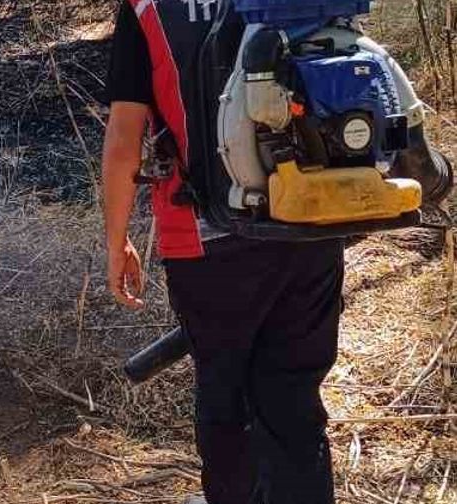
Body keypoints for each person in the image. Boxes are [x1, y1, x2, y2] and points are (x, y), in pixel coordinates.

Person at [102, 1, 344, 503]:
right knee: (294, 401)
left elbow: (126, 134)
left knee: (226, 399)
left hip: (205, 238)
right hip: (309, 222)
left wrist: (117, 238)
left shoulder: (146, 8)